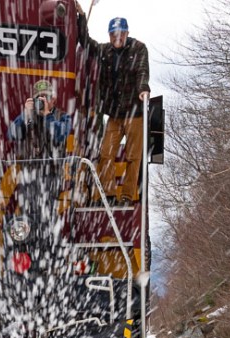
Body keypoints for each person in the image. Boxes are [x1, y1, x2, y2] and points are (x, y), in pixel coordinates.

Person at [77, 7, 151, 204]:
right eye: (113, 34)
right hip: (115, 113)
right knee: (105, 154)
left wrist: (143, 88)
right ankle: (108, 194)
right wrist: (82, 18)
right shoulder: (104, 51)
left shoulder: (138, 48)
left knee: (133, 157)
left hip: (134, 111)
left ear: (126, 33)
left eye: (120, 34)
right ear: (110, 35)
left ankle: (127, 195)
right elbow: (86, 42)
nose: (116, 37)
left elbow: (142, 70)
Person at [8, 79, 73, 155]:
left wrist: (47, 115)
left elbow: (61, 136)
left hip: (55, 164)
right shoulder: (28, 117)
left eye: (46, 97)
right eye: (39, 98)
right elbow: (11, 135)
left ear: (53, 99)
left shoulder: (63, 117)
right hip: (29, 164)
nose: (43, 100)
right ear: (34, 101)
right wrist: (25, 115)